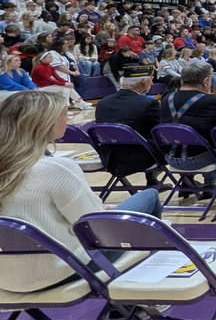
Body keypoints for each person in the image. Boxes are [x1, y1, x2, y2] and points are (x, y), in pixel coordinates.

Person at [0, 90, 162, 293]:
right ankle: (142, 296)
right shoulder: (56, 168)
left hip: (6, 278)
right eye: (65, 113)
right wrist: (99, 210)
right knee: (149, 197)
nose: (68, 119)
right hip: (64, 268)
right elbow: (96, 227)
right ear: (46, 123)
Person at [94, 63, 165, 188]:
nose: (152, 84)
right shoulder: (148, 104)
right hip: (139, 158)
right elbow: (161, 131)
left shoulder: (103, 103)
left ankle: (153, 182)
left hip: (109, 158)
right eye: (151, 80)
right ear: (143, 81)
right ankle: (187, 184)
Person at [158, 61, 216, 198]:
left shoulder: (166, 99)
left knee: (183, 135)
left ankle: (186, 183)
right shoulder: (212, 101)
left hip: (171, 159)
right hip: (200, 160)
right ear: (205, 81)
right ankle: (210, 185)